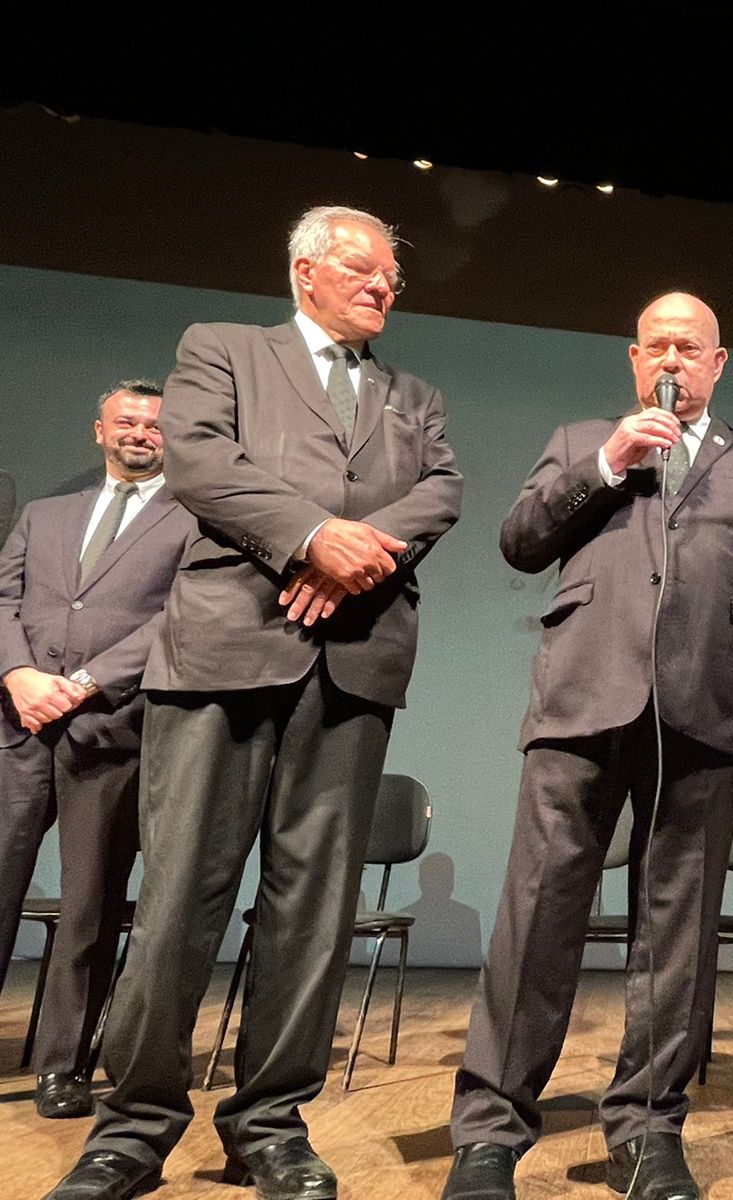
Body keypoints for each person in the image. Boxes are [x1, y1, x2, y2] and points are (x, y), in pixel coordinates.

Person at [46, 205, 463, 1200]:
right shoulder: (224, 349)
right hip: (225, 651)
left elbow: (440, 490)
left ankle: (269, 1126)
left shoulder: (414, 395)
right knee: (180, 892)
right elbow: (199, 459)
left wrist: (353, 564)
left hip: (353, 661)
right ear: (306, 270)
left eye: (393, 276)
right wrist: (313, 538)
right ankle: (133, 1128)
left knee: (312, 909)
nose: (383, 285)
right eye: (362, 268)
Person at [442, 292, 733, 1200]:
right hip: (581, 704)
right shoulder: (583, 442)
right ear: (634, 358)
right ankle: (489, 1135)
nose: (672, 359)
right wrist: (610, 462)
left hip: (706, 713)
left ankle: (648, 1131)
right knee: (537, 917)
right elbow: (520, 543)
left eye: (689, 346)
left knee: (677, 933)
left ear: (719, 362)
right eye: (657, 346)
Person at [0, 381, 192, 1119]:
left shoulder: (192, 520)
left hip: (109, 729)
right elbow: (2, 601)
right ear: (100, 431)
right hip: (18, 723)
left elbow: (177, 618)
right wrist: (18, 675)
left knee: (88, 906)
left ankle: (62, 1065)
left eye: (154, 425)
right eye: (126, 421)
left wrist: (83, 683)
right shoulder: (43, 515)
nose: (140, 433)